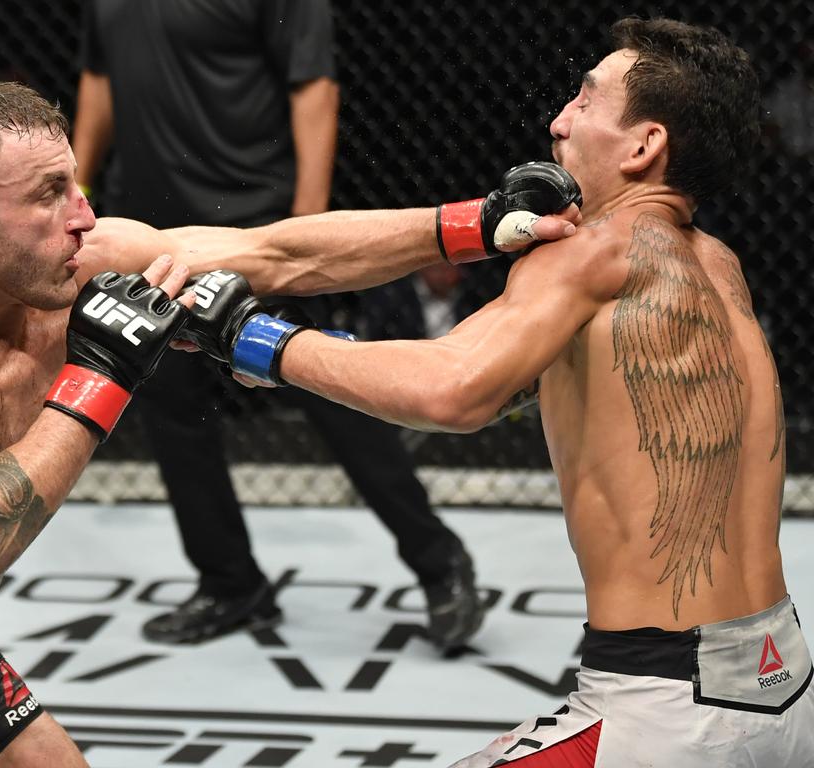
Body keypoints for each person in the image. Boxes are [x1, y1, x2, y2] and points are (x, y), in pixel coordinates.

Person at [0, 73, 577, 764]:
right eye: (46, 195)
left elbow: (277, 255)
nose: (84, 217)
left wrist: (478, 223)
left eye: (74, 184)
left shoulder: (71, 268)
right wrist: (105, 374)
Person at [118, 18, 814, 766]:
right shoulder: (719, 266)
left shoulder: (589, 252)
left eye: (585, 100)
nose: (558, 121)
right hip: (786, 679)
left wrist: (252, 338)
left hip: (662, 710)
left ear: (644, 146)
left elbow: (454, 390)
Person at [71, 0, 486, 653]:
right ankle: (231, 583)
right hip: (144, 231)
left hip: (252, 228)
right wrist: (81, 194)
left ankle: (439, 561)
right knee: (171, 411)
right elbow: (99, 79)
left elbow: (314, 89)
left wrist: (303, 238)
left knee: (331, 394)